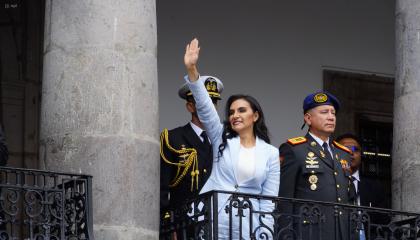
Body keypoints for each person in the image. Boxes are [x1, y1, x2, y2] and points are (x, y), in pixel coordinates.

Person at [183, 38, 280, 239]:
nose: (235, 115)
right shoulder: (222, 138)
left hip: (249, 225)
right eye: (232, 111)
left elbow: (268, 200)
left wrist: (265, 235)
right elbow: (206, 108)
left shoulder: (271, 153)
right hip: (215, 219)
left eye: (242, 110)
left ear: (255, 116)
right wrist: (193, 71)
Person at [277, 91, 353, 240]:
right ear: (308, 118)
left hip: (341, 233)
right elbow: (285, 200)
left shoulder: (343, 153)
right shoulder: (294, 149)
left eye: (333, 113)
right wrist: (286, 236)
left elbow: (349, 200)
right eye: (324, 112)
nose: (331, 117)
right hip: (309, 232)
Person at [159, 72, 224, 237]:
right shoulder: (172, 138)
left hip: (218, 225)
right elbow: (162, 188)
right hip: (183, 226)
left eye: (213, 102)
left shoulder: (225, 140)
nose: (209, 106)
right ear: (190, 106)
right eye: (203, 101)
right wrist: (169, 224)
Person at [336, 133, 389, 240]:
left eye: (355, 149)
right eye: (345, 149)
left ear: (361, 155)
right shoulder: (327, 183)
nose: (350, 152)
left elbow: (384, 222)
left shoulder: (375, 187)